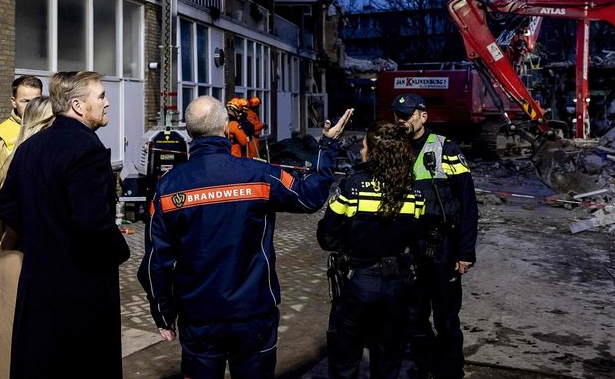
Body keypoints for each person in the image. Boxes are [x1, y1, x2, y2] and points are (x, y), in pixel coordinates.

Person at [139, 96, 354, 378]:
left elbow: (157, 261)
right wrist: (326, 147)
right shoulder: (259, 175)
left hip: (199, 318)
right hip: (253, 315)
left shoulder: (167, 187)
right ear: (227, 127)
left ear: (189, 132)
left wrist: (163, 313)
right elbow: (310, 197)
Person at [0, 71, 130, 378]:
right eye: (101, 96)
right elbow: (91, 222)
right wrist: (119, 251)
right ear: (79, 106)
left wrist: (41, 233)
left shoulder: (31, 146)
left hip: (38, 281)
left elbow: (7, 207)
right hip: (80, 289)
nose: (107, 103)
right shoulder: (88, 150)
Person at [317, 121, 425, 378]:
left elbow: (326, 235)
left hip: (359, 282)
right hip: (398, 284)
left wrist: (350, 247)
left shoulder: (353, 187)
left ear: (376, 153)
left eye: (365, 146)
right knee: (389, 359)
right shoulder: (415, 191)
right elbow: (417, 237)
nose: (361, 151)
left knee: (345, 357)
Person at [392, 93, 478, 379]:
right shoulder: (393, 149)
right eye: (398, 115)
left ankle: (451, 370)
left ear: (423, 116)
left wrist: (465, 252)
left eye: (407, 115)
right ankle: (424, 366)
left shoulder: (446, 149)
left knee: (446, 317)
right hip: (408, 248)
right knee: (413, 315)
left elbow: (467, 204)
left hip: (442, 247)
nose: (402, 120)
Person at [0, 96, 55, 379]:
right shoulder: (22, 158)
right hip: (17, 256)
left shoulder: (29, 155)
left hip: (20, 254)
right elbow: (4, 207)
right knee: (10, 341)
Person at [0, 75, 43, 196]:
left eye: (36, 101)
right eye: (25, 101)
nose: (31, 107)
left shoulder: (48, 129)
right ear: (13, 102)